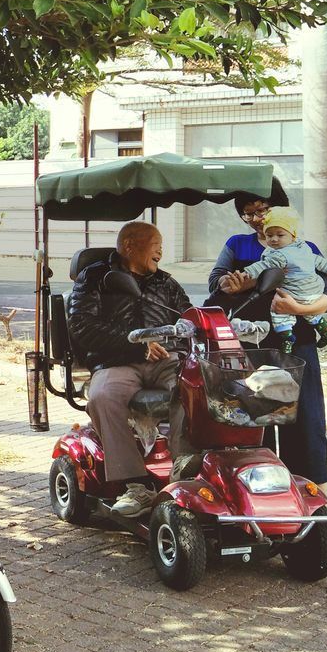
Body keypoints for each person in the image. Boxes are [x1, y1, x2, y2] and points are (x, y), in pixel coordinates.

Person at [206, 194, 327, 527]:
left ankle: (317, 503)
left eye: (262, 210)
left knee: (306, 420)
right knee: (258, 421)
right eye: (247, 213)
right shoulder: (237, 246)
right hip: (252, 345)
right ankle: (261, 502)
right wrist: (232, 284)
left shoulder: (304, 246)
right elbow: (216, 284)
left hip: (297, 343)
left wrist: (300, 310)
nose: (256, 219)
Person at [67, 221, 192, 517]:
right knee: (102, 397)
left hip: (166, 358)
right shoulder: (95, 278)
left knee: (194, 386)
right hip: (117, 361)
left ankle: (184, 473)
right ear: (129, 246)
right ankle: (134, 484)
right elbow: (82, 327)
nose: (162, 250)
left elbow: (189, 321)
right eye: (156, 244)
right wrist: (135, 345)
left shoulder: (166, 283)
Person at [240, 207, 327, 351]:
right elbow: (319, 261)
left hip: (295, 293)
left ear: (293, 235)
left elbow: (263, 266)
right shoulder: (305, 249)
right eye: (269, 235)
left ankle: (287, 340)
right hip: (314, 292)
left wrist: (247, 272)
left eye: (280, 235)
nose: (274, 239)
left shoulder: (278, 255)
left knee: (280, 314)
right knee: (313, 315)